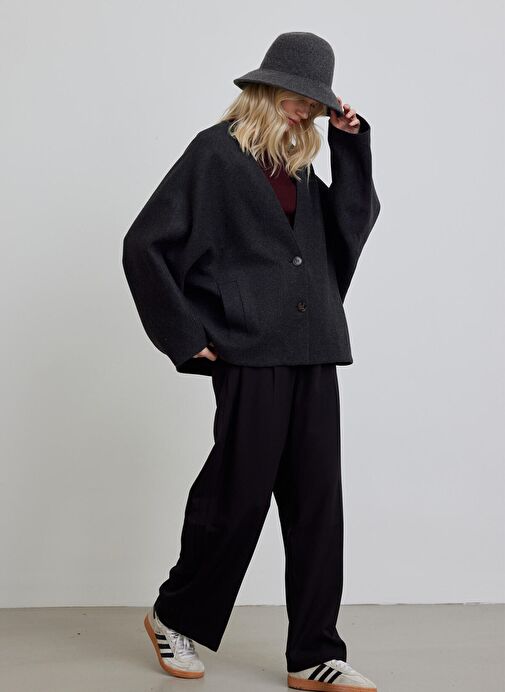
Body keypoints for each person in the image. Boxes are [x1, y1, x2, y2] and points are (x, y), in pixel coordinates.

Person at [122, 31, 380, 692]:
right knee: (236, 498)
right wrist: (186, 335)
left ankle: (313, 652)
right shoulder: (215, 153)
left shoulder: (299, 167)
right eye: (298, 96)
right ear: (266, 88)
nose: (305, 110)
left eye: (315, 103)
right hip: (251, 348)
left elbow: (349, 228)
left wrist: (351, 147)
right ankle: (174, 616)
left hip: (314, 348)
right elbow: (145, 244)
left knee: (317, 504)